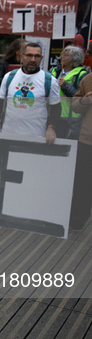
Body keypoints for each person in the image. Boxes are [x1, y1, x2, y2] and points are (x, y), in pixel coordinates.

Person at [0, 42, 60, 151]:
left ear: (41, 58)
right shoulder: (9, 77)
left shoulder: (50, 81)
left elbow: (56, 108)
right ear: (22, 57)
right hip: (8, 136)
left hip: (36, 139)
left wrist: (51, 128)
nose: (32, 59)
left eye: (37, 56)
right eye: (29, 55)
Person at [69, 72, 92, 231]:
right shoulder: (88, 79)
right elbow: (75, 105)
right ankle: (76, 221)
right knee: (82, 183)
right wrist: (84, 100)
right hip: (88, 139)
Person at [50, 45, 88, 139]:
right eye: (63, 54)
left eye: (66, 55)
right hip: (53, 114)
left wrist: (65, 86)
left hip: (69, 118)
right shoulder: (55, 71)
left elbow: (81, 97)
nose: (62, 57)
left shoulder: (81, 75)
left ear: (74, 59)